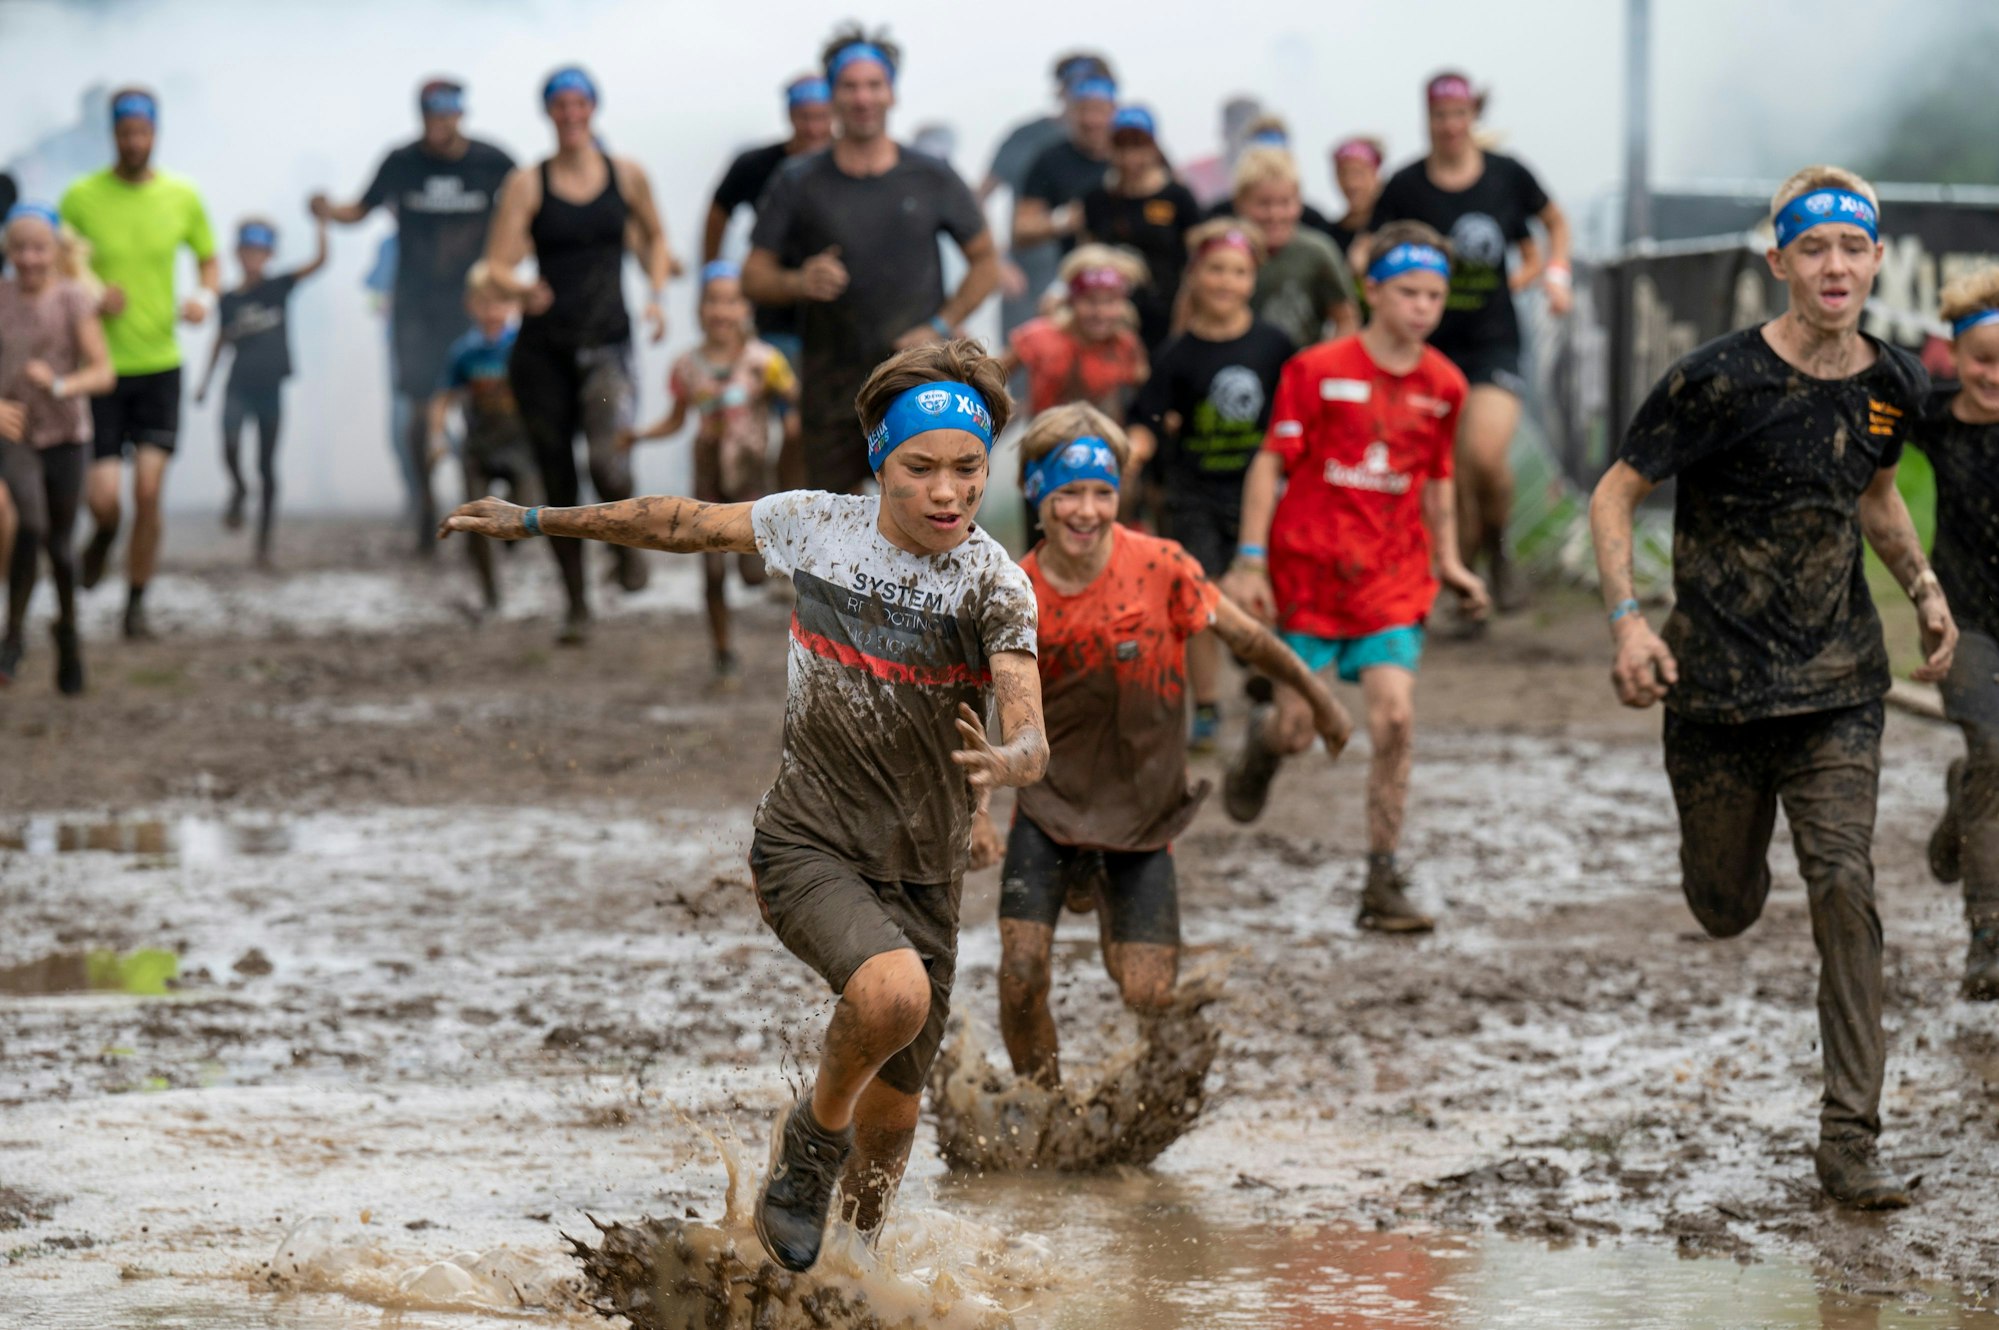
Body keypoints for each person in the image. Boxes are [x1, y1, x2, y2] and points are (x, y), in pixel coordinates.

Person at [438, 339, 1047, 1274]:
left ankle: (843, 1279)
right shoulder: (815, 525)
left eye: (967, 470)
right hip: (807, 843)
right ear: (879, 462)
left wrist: (1010, 758)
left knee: (893, 1127)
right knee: (893, 994)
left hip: (922, 867)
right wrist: (533, 517)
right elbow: (681, 523)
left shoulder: (994, 581)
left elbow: (1028, 727)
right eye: (920, 468)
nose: (947, 492)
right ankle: (808, 1142)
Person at [1587, 166, 1953, 1209]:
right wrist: (1623, 622)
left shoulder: (1890, 384)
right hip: (1712, 698)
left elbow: (1875, 496)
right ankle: (1722, 874)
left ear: (1876, 259)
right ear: (1779, 262)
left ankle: (1849, 1139)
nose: (1834, 267)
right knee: (1723, 904)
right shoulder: (1713, 380)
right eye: (1814, 249)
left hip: (1837, 687)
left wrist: (1921, 588)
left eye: (1853, 248)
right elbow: (1615, 497)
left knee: (1844, 884)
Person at [982, 402, 1351, 1086]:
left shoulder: (1162, 568)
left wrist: (1320, 699)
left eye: (1102, 493)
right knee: (1021, 974)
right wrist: (975, 812)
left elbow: (1247, 638)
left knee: (1148, 994)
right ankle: (1043, 1106)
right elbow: (970, 705)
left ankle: (1148, 1108)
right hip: (1049, 812)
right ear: (1035, 494)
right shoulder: (1014, 592)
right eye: (1068, 493)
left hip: (1144, 815)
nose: (1086, 511)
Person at [1222, 225, 1489, 933]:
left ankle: (1381, 878)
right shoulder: (1313, 370)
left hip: (1392, 581)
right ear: (1371, 290)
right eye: (1408, 292)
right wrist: (1250, 557)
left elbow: (1436, 481)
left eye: (1434, 295)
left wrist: (1451, 560)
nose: (1422, 307)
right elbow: (1270, 464)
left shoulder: (1444, 385)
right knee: (1298, 728)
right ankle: (1263, 740)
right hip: (1309, 575)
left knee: (1394, 721)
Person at [743, 26, 999, 496]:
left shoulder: (930, 175)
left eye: (873, 85)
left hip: (919, 380)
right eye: (850, 86)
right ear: (832, 94)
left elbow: (986, 263)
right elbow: (754, 276)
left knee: (926, 522)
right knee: (832, 535)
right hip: (831, 384)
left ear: (891, 93)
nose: (862, 98)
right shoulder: (798, 180)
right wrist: (800, 280)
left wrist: (942, 324)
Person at [1365, 72, 1572, 615]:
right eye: (1440, 116)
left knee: (1483, 454)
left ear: (1472, 117)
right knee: (1449, 473)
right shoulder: (1406, 185)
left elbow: (1554, 222)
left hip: (1494, 340)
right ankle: (1466, 579)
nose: (1450, 125)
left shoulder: (1507, 174)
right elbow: (1372, 247)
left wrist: (1553, 275)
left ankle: (1499, 550)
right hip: (1428, 348)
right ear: (1427, 119)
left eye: (1459, 115)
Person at [483, 65, 675, 643]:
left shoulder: (627, 175)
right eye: (559, 105)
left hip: (608, 342)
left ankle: (627, 548)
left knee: (608, 461)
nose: (570, 115)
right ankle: (577, 604)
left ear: (593, 109)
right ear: (548, 112)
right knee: (558, 479)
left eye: (579, 104)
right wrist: (517, 288)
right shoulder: (528, 182)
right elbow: (495, 263)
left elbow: (657, 238)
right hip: (543, 350)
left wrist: (659, 296)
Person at [311, 79, 516, 554]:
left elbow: (527, 207)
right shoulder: (401, 163)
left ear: (461, 115)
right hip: (415, 309)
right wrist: (326, 210)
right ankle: (425, 505)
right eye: (431, 116)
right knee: (418, 413)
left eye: (448, 115)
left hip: (474, 305)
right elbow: (358, 209)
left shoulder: (493, 162)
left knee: (486, 404)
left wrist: (511, 272)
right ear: (421, 116)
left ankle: (489, 508)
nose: (440, 125)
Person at [1129, 221, 1294, 751]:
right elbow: (1147, 419)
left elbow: (1298, 416)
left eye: (1239, 272)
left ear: (1254, 280)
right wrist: (1131, 452)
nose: (1226, 281)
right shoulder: (1177, 354)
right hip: (1191, 493)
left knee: (1257, 598)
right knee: (1198, 599)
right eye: (1216, 269)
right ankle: (1205, 707)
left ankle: (1255, 662)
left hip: (1260, 493)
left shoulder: (1276, 346)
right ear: (1195, 276)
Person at [60, 87, 218, 640]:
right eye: (126, 133)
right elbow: (62, 260)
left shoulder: (182, 196)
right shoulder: (82, 196)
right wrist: (93, 291)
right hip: (100, 367)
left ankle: (135, 603)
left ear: (155, 134)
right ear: (114, 136)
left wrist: (205, 299)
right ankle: (103, 539)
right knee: (105, 501)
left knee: (148, 492)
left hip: (159, 364)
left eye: (143, 133)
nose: (134, 142)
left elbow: (208, 259)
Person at [622, 260, 798, 687]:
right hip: (707, 476)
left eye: (731, 302)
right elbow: (676, 419)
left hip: (752, 477)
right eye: (713, 302)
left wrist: (791, 424)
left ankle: (798, 643)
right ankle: (722, 653)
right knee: (712, 571)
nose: (721, 311)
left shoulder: (766, 361)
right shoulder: (686, 367)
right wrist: (640, 435)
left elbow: (793, 400)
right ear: (700, 310)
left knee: (754, 572)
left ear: (746, 309)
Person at [1914, 270, 1999, 1001]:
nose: (1993, 375)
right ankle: (1987, 937)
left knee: (1988, 771)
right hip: (1960, 622)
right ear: (1954, 356)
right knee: (1996, 751)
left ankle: (1956, 812)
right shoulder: (1933, 420)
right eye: (1981, 359)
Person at [0, 202, 115, 693]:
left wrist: (61, 385)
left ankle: (67, 634)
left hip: (68, 436)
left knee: (61, 548)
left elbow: (103, 372)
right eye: (20, 249)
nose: (29, 259)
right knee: (30, 523)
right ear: (9, 252)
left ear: (54, 251)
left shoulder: (72, 300)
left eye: (38, 248)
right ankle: (12, 637)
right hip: (17, 434)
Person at [193, 215, 329, 566]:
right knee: (230, 445)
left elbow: (319, 262)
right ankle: (238, 488)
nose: (253, 257)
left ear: (269, 255)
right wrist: (205, 383)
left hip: (270, 390)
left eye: (260, 251)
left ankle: (264, 543)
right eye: (248, 251)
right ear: (238, 254)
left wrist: (321, 224)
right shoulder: (227, 300)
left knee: (267, 465)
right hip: (237, 386)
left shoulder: (279, 286)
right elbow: (219, 341)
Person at [426, 263, 540, 615]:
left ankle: (507, 545)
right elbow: (442, 398)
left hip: (520, 446)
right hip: (477, 447)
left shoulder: (525, 347)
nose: (493, 311)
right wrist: (436, 438)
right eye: (485, 303)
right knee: (474, 522)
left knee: (527, 509)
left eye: (501, 302)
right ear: (471, 306)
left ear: (513, 306)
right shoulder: (464, 352)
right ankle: (491, 596)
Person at [702, 74, 834, 376]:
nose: (814, 128)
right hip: (775, 314)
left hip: (838, 316)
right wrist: (713, 277)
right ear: (789, 115)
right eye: (805, 117)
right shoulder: (757, 165)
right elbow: (717, 214)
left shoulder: (848, 164)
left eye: (821, 117)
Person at [980, 53, 1113, 339]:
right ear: (1061, 90)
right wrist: (996, 262)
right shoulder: (1027, 137)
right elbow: (975, 200)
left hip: (1098, 289)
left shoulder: (1129, 146)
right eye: (1076, 85)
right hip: (1027, 281)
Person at [1080, 105, 1201, 352]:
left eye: (1138, 146)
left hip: (1168, 311)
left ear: (1153, 148)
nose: (1130, 157)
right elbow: (1086, 260)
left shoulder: (1177, 197)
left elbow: (1198, 258)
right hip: (1112, 316)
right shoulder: (1097, 199)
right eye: (1122, 147)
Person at [999, 244, 1148, 420]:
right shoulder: (1040, 336)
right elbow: (989, 377)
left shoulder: (1125, 345)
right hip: (1041, 438)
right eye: (1090, 301)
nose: (1100, 313)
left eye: (1110, 302)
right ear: (1071, 301)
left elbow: (1148, 398)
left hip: (1099, 441)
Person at [1230, 147, 1359, 349]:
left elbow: (1346, 318)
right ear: (1240, 203)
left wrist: (1322, 363)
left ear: (1299, 202)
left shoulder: (1318, 252)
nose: (1275, 214)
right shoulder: (1224, 252)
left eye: (1285, 202)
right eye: (1264, 204)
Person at [1010, 74, 1116, 270]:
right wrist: (1066, 219)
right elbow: (1020, 230)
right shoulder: (1051, 160)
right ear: (1071, 114)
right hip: (1082, 275)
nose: (1091, 120)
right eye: (1083, 110)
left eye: (1099, 110)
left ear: (1114, 112)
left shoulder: (1141, 154)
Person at [1180, 96, 1263, 210]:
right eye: (1240, 132)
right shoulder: (1192, 174)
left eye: (1252, 136)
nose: (1245, 143)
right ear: (1225, 132)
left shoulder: (1274, 180)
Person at [1326, 136, 1386, 257]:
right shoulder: (1326, 236)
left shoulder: (1394, 228)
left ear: (1376, 175)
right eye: (1343, 174)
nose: (1351, 183)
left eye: (1359, 173)